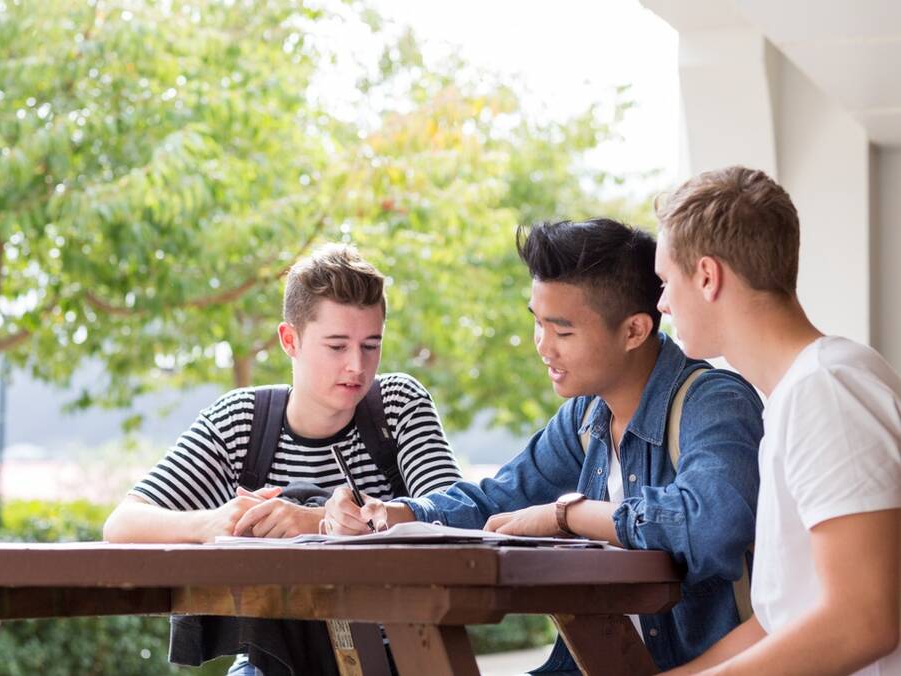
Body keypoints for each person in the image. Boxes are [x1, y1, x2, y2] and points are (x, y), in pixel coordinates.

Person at [325, 219, 765, 674]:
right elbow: (499, 498)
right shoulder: (586, 415)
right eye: (537, 323)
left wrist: (567, 515)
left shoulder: (713, 402)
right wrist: (401, 514)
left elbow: (708, 524)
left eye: (563, 332)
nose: (542, 346)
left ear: (634, 330)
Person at [104, 243, 463, 675]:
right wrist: (212, 524)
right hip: (270, 661)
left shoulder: (398, 406)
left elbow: (455, 520)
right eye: (336, 346)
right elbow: (122, 524)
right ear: (289, 340)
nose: (357, 366)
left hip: (401, 652)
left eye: (371, 345)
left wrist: (315, 526)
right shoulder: (240, 421)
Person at [652, 166, 899, 675]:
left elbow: (864, 620)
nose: (662, 304)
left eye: (664, 281)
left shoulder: (826, 389)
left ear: (706, 275)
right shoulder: (797, 394)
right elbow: (777, 620)